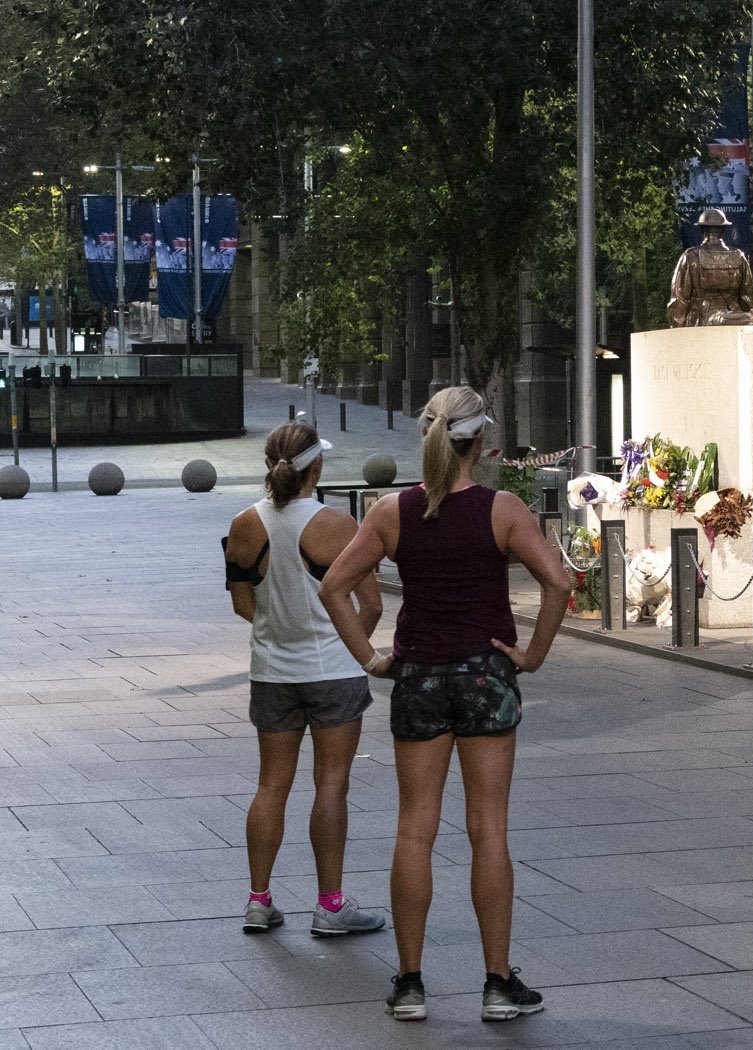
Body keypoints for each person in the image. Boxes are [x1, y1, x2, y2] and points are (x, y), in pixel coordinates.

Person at [319, 386, 572, 1024]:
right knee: (488, 829)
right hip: (487, 677)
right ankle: (496, 982)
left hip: (420, 680)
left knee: (415, 828)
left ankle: (409, 983)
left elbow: (333, 587)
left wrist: (371, 659)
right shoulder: (503, 508)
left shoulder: (391, 512)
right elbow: (560, 581)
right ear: (481, 444)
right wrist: (533, 655)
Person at [223, 422, 387, 937]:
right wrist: (341, 646)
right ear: (316, 467)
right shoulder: (338, 525)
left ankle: (258, 900)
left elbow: (242, 603)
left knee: (271, 784)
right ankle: (331, 905)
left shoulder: (244, 524)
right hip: (333, 672)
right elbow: (373, 605)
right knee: (331, 784)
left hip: (271, 672)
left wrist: (281, 630)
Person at [667, 208, 753, 327]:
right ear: (723, 229)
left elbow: (680, 297)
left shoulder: (691, 257)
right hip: (734, 320)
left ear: (702, 230)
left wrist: (677, 329)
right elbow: (748, 296)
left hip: (699, 321)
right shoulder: (739, 256)